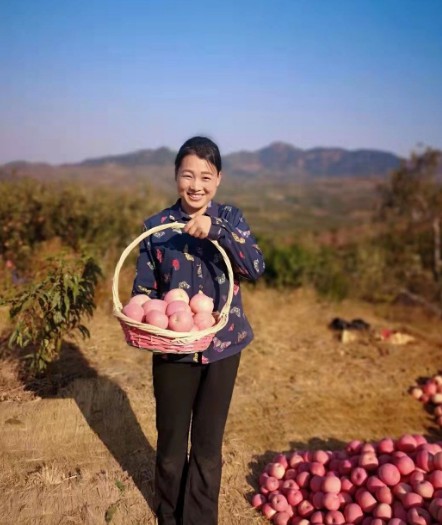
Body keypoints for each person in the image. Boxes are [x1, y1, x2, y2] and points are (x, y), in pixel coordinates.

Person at [132, 136, 265, 525]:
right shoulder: (157, 228)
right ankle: (169, 516)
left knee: (207, 446)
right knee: (172, 446)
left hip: (224, 347)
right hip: (173, 348)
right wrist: (150, 319)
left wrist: (217, 229)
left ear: (218, 178)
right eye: (187, 175)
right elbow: (144, 294)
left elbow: (255, 268)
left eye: (205, 176)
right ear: (175, 176)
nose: (196, 185)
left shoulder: (232, 220)